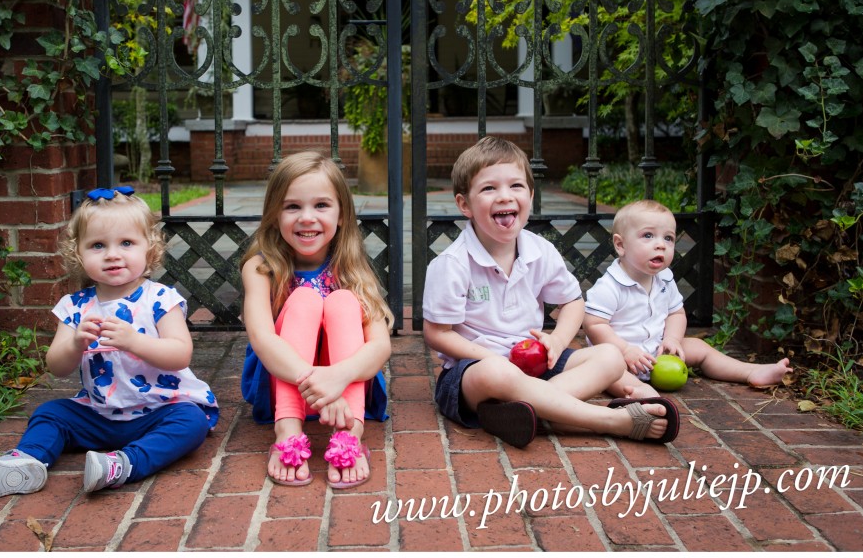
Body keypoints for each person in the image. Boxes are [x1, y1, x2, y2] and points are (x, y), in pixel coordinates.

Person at [0, 186, 218, 499]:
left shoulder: (160, 299)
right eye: (98, 245)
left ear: (148, 249)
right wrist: (75, 345)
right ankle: (27, 461)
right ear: (78, 254)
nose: (112, 254)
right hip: (99, 414)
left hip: (158, 409)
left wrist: (134, 341)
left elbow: (180, 354)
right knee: (50, 413)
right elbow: (56, 366)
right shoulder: (75, 306)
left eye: (126, 243)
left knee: (190, 421)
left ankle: (122, 465)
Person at [422, 136, 679, 448]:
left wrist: (557, 341)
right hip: (475, 372)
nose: (505, 196)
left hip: (538, 363)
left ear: (530, 196)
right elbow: (438, 333)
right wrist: (493, 357)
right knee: (497, 373)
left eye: (516, 186)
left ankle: (525, 411)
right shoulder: (452, 263)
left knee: (611, 357)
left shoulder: (539, 250)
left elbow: (572, 302)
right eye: (489, 188)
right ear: (465, 204)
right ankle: (609, 420)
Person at [240, 152, 392, 489]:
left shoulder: (351, 269)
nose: (307, 218)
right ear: (274, 215)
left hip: (345, 385)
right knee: (305, 299)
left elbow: (380, 345)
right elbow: (262, 338)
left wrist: (338, 377)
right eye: (292, 207)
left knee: (342, 301)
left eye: (321, 205)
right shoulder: (261, 268)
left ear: (341, 215)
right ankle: (289, 431)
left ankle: (349, 433)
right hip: (284, 384)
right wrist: (318, 384)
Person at [584, 199, 793, 398]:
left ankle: (749, 371)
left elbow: (676, 313)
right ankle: (641, 392)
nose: (661, 245)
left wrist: (672, 339)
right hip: (619, 356)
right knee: (607, 372)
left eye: (668, 238)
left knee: (698, 348)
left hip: (657, 351)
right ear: (621, 245)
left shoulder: (664, 279)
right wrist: (625, 350)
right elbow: (594, 325)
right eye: (648, 235)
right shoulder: (610, 286)